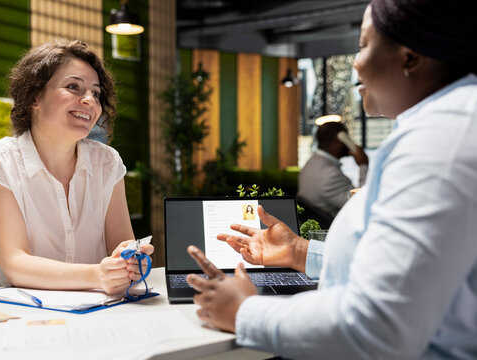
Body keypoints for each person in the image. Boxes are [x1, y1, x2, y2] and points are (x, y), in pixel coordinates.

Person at [186, 0, 477, 358]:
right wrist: (300, 251)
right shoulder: (443, 129)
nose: (356, 63)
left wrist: (244, 312)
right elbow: (409, 271)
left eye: (364, 45)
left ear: (411, 57)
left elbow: (379, 325)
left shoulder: (440, 141)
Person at [0, 39, 154, 295]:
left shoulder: (107, 163)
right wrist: (97, 275)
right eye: (74, 87)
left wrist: (129, 260)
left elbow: (121, 245)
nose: (89, 100)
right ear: (34, 97)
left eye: (96, 93)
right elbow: (16, 265)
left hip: (101, 311)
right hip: (24, 315)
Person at [298, 121, 368, 218]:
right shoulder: (331, 176)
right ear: (338, 140)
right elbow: (361, 203)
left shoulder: (310, 164)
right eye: (347, 137)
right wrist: (363, 165)